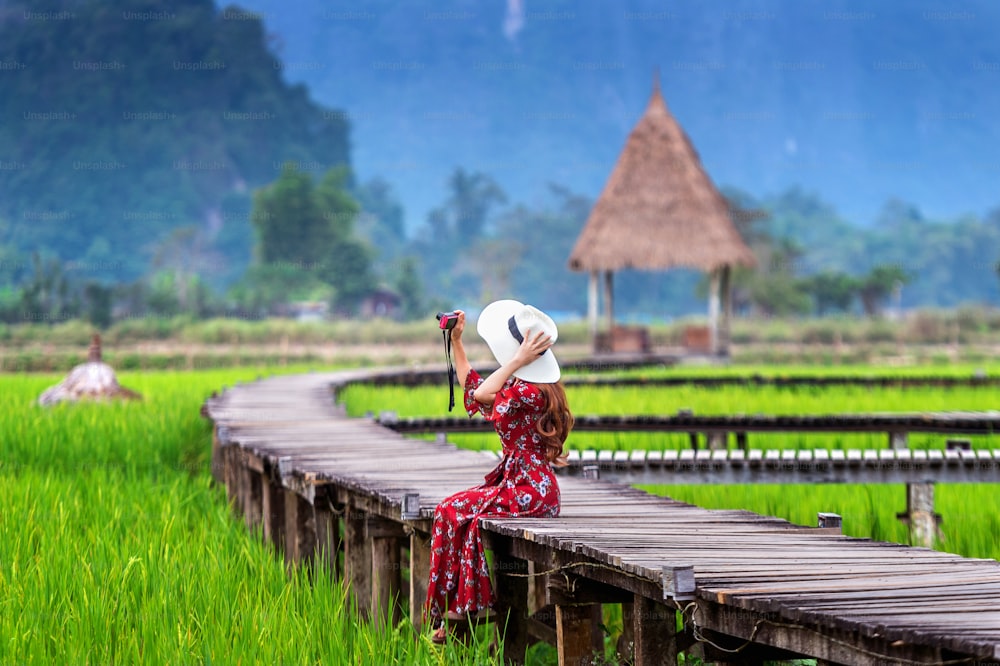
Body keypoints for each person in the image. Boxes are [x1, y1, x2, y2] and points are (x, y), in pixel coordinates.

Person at [425, 300, 573, 645]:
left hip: (531, 489)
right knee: (453, 510)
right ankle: (453, 610)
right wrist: (457, 341)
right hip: (521, 483)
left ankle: (457, 612)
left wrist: (518, 360)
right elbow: (473, 386)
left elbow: (481, 392)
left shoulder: (529, 392)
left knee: (452, 509)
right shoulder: (520, 387)